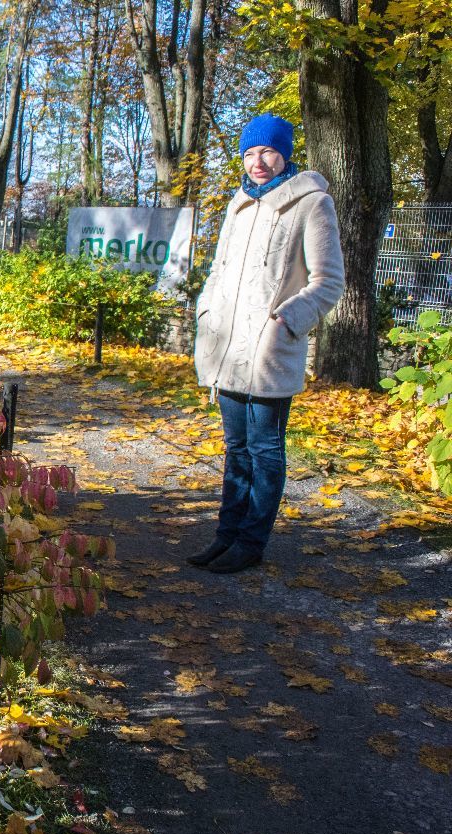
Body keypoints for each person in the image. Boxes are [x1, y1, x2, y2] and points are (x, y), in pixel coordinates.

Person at [188, 113, 345, 574]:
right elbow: (218, 271)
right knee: (236, 450)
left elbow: (328, 281)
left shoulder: (312, 204)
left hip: (269, 350)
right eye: (250, 153)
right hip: (226, 350)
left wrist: (285, 321)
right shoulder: (237, 206)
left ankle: (251, 542)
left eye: (268, 151)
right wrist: (206, 310)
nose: (258, 162)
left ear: (285, 154)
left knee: (265, 450)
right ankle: (226, 535)